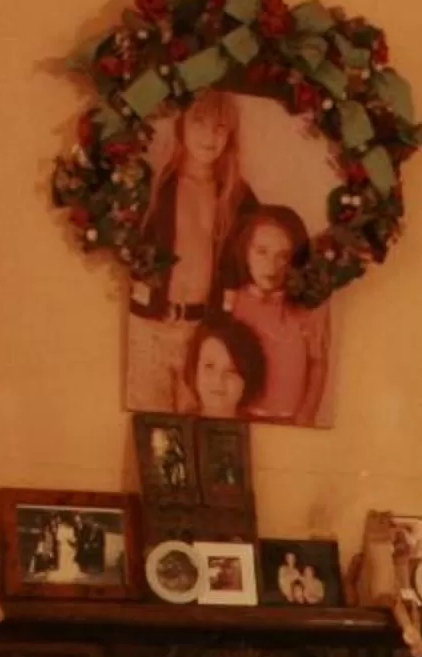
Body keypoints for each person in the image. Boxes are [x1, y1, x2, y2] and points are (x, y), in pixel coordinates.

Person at [124, 90, 256, 414]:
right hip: (149, 328)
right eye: (199, 122)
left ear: (231, 135)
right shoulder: (155, 187)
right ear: (181, 124)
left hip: (201, 337)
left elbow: (258, 253)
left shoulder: (237, 196)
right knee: (148, 424)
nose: (210, 136)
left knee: (196, 423)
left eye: (220, 127)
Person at [218, 204, 330, 425]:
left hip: (289, 420)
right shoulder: (234, 301)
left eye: (283, 256)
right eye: (261, 252)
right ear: (245, 251)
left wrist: (305, 416)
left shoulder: (309, 306)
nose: (271, 265)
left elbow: (318, 363)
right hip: (241, 419)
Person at [184, 312, 267, 420]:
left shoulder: (261, 429)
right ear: (194, 368)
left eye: (231, 370)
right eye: (209, 366)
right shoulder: (175, 428)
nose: (218, 380)